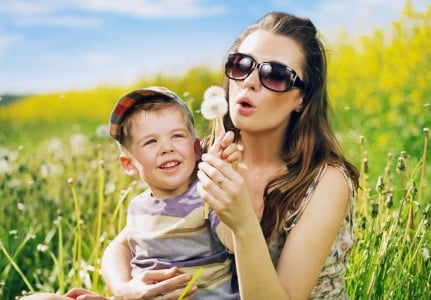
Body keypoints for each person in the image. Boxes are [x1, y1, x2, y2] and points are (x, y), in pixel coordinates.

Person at [196, 12, 359, 299]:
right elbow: (136, 236)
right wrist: (125, 289)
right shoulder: (206, 157)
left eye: (275, 75)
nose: (249, 82)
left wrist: (244, 222)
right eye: (241, 64)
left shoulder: (325, 183)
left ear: (302, 99)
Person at [22, 86, 240, 300]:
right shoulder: (140, 206)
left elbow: (236, 242)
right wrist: (122, 289)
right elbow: (118, 247)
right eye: (151, 141)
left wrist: (223, 175)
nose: (167, 147)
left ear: (195, 149)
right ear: (129, 165)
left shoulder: (206, 194)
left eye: (176, 136)